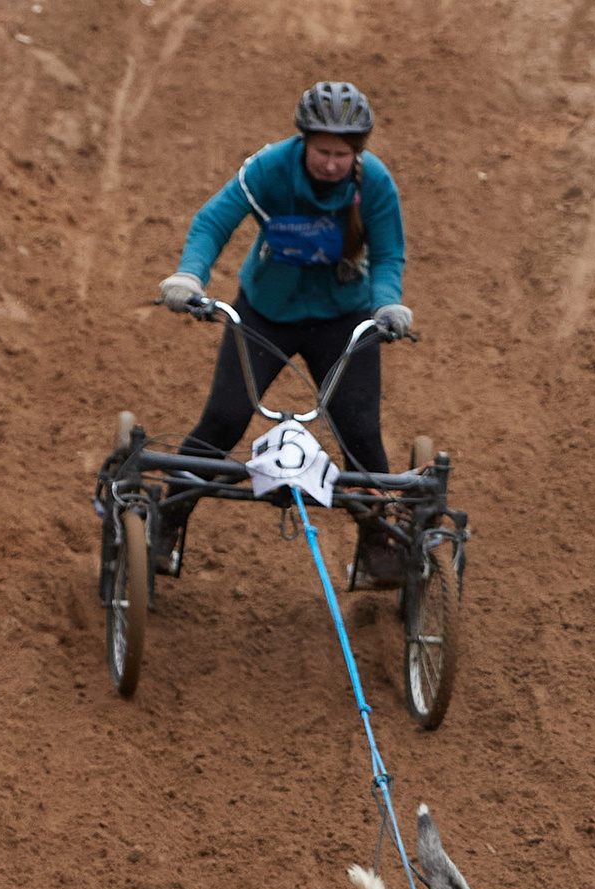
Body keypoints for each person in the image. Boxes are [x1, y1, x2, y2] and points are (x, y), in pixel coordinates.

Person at [156, 80, 415, 582]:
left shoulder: (375, 183)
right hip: (266, 314)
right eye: (322, 152)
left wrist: (388, 304)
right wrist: (190, 275)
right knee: (223, 420)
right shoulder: (270, 168)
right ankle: (167, 523)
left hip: (342, 320)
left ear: (357, 152)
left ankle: (377, 545)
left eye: (342, 154)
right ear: (304, 142)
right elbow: (213, 222)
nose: (332, 164)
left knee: (361, 434)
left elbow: (389, 254)